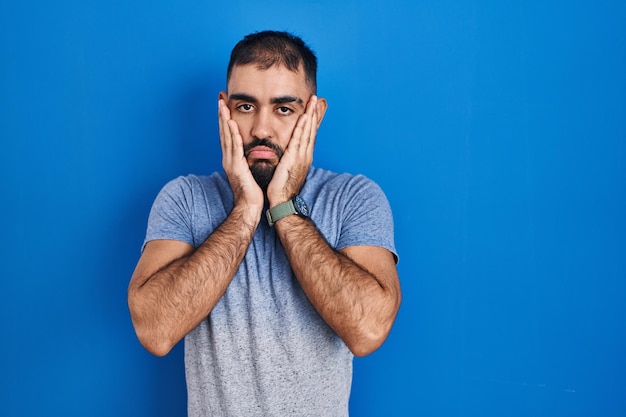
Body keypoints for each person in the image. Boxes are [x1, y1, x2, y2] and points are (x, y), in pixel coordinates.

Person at [128, 30, 401, 416]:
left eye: (284, 109)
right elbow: (154, 331)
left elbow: (367, 330)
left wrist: (283, 205)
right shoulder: (185, 198)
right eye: (245, 107)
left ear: (315, 114)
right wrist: (244, 211)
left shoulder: (353, 197)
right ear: (224, 108)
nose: (260, 129)